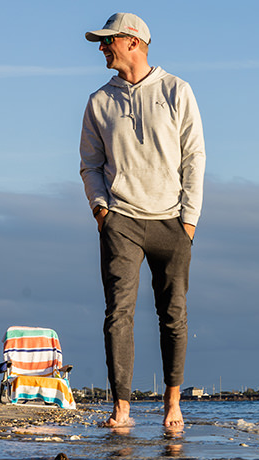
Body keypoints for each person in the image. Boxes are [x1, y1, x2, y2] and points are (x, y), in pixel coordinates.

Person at [79, 12, 205, 429]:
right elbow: (90, 164)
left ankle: (173, 404)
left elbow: (194, 157)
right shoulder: (99, 101)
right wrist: (102, 212)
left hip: (173, 222)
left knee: (174, 315)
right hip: (122, 222)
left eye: (107, 41)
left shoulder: (176, 90)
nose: (102, 48)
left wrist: (189, 221)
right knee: (118, 314)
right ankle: (122, 409)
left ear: (132, 41)